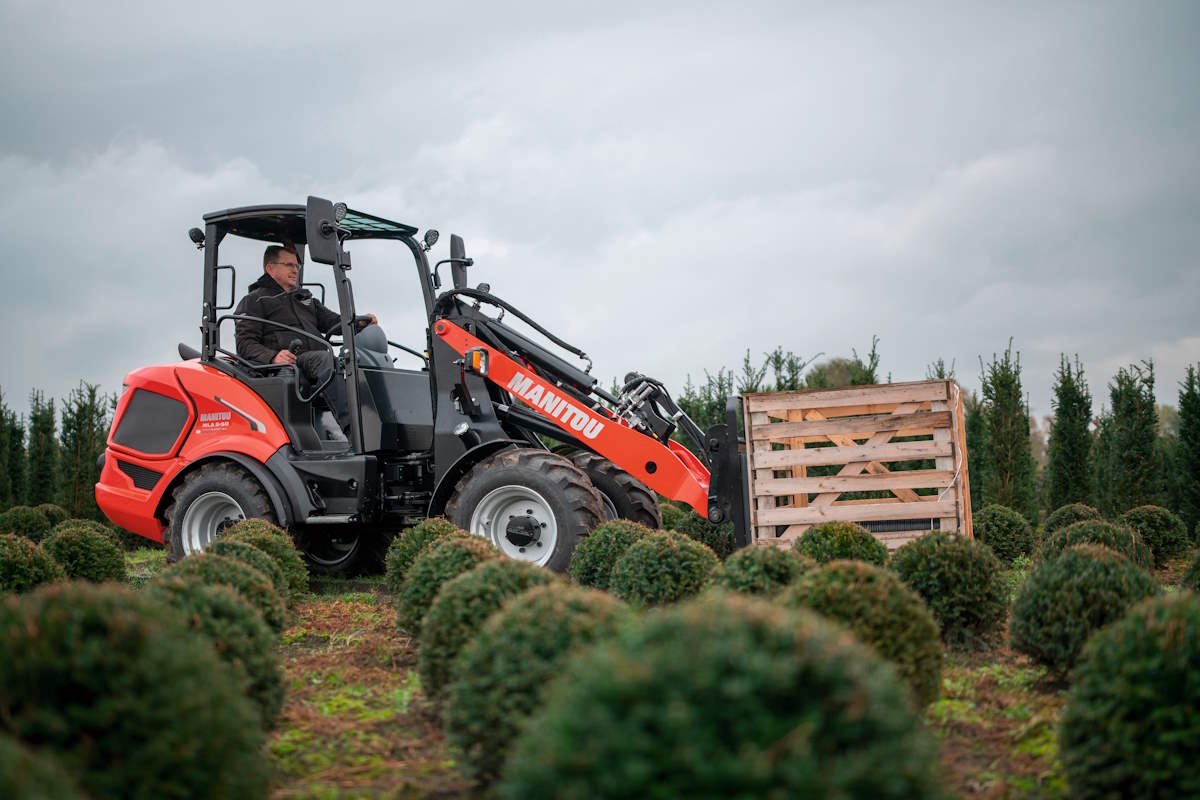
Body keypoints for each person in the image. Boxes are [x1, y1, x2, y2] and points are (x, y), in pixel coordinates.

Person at [234, 244, 376, 437]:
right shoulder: (254, 300)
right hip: (287, 365)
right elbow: (245, 344)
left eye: (297, 266)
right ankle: (357, 433)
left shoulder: (305, 299)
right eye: (288, 265)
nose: (295, 270)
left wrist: (360, 322)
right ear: (270, 268)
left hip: (314, 364)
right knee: (323, 359)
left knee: (358, 360)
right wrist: (273, 356)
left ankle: (378, 423)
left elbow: (334, 323)